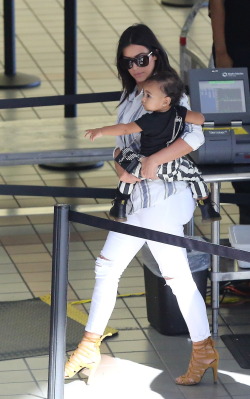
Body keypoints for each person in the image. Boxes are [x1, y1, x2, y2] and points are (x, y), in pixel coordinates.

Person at [64, 23, 219, 386]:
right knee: (114, 268)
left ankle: (202, 348)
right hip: (139, 199)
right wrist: (121, 164)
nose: (136, 66)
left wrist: (153, 161)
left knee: (170, 276)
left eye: (142, 58)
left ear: (155, 55)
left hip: (163, 198)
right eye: (128, 61)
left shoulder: (168, 91)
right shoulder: (133, 94)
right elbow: (123, 142)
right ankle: (91, 345)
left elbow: (195, 135)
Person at [85, 71, 221, 224]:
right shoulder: (180, 112)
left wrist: (101, 131)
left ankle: (120, 204)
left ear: (165, 101)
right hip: (172, 167)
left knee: (123, 156)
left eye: (148, 95)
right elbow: (200, 119)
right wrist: (188, 115)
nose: (143, 100)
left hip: (143, 166)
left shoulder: (148, 120)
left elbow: (124, 129)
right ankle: (206, 207)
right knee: (194, 175)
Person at [209, 0, 250, 224]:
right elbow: (217, 5)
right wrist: (221, 51)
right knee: (237, 130)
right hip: (235, 54)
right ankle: (246, 207)